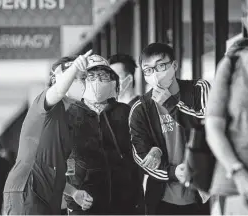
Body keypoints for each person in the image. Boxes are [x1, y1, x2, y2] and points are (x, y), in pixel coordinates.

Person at [3, 50, 92, 215]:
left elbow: (52, 170)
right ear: (55, 79)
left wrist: (73, 192)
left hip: (49, 194)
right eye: (77, 78)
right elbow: (58, 91)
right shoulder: (43, 106)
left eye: (84, 79)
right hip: (26, 190)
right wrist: (73, 69)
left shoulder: (67, 119)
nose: (82, 83)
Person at [129, 43, 210, 215]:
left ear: (174, 65)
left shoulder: (199, 89)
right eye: (148, 70)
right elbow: (139, 154)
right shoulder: (140, 108)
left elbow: (206, 127)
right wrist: (172, 172)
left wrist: (170, 104)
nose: (155, 73)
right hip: (161, 198)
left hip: (202, 190)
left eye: (161, 65)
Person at [205, 0, 248, 214]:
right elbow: (213, 127)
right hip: (233, 186)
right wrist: (239, 173)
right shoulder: (231, 66)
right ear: (246, 21)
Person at [63, 54, 137, 215]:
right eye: (91, 76)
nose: (97, 80)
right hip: (84, 205)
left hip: (124, 205)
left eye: (102, 75)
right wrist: (72, 195)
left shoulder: (125, 112)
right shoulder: (70, 115)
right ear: (82, 81)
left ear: (112, 81)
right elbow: (55, 163)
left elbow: (138, 154)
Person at [108, 54, 145, 214]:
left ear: (128, 80)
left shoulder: (142, 110)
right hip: (115, 193)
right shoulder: (108, 112)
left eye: (114, 77)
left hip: (137, 191)